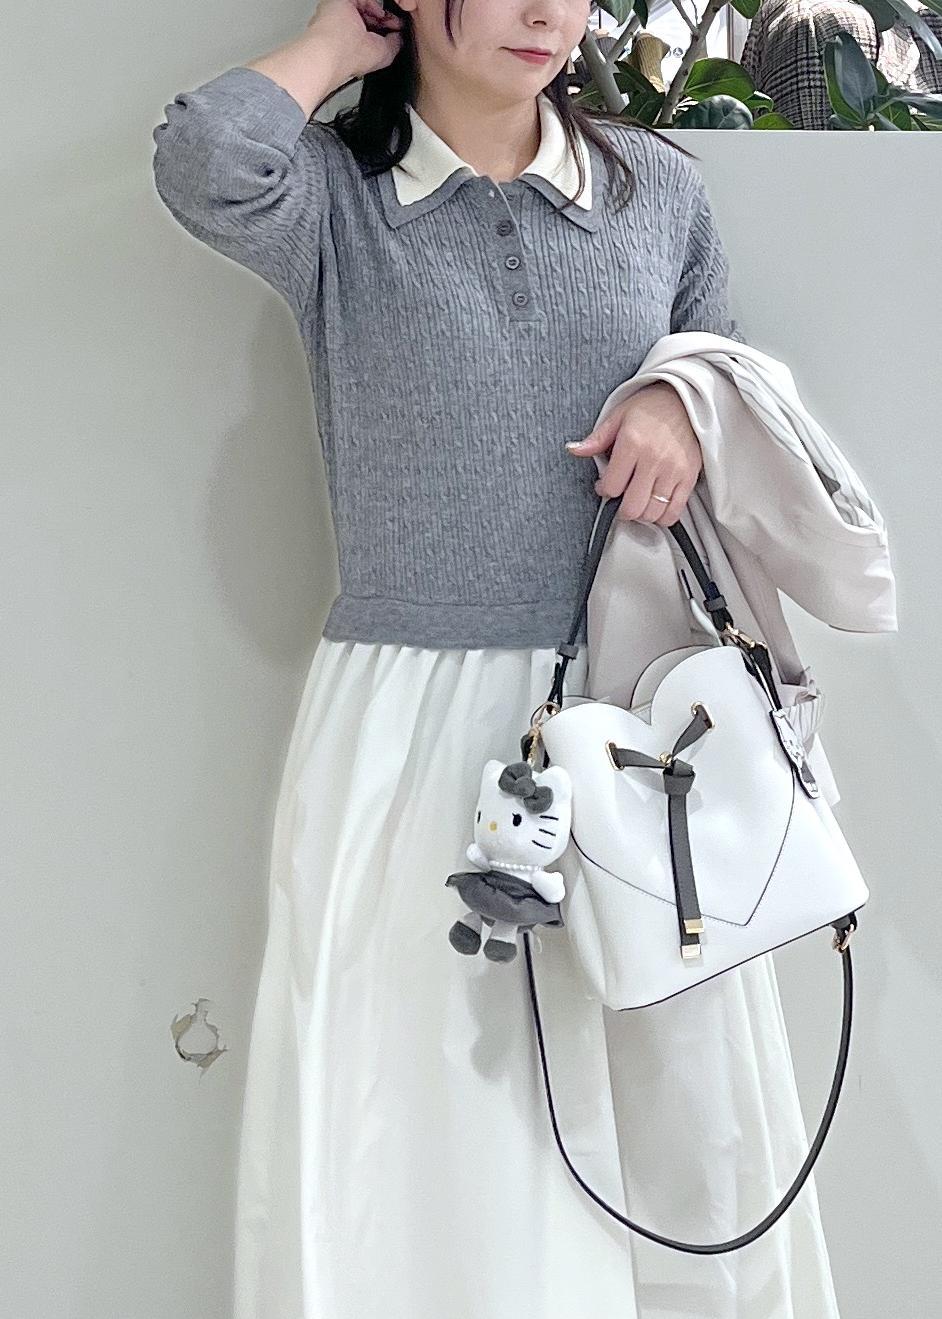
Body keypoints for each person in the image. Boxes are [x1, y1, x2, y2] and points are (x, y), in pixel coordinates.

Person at [151, 2, 842, 1314]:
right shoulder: (337, 203)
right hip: (413, 712)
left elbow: (735, 380)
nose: (545, 13)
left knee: (674, 1096)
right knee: (416, 1092)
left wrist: (678, 400)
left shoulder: (655, 192)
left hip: (635, 722)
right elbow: (202, 159)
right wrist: (340, 40)